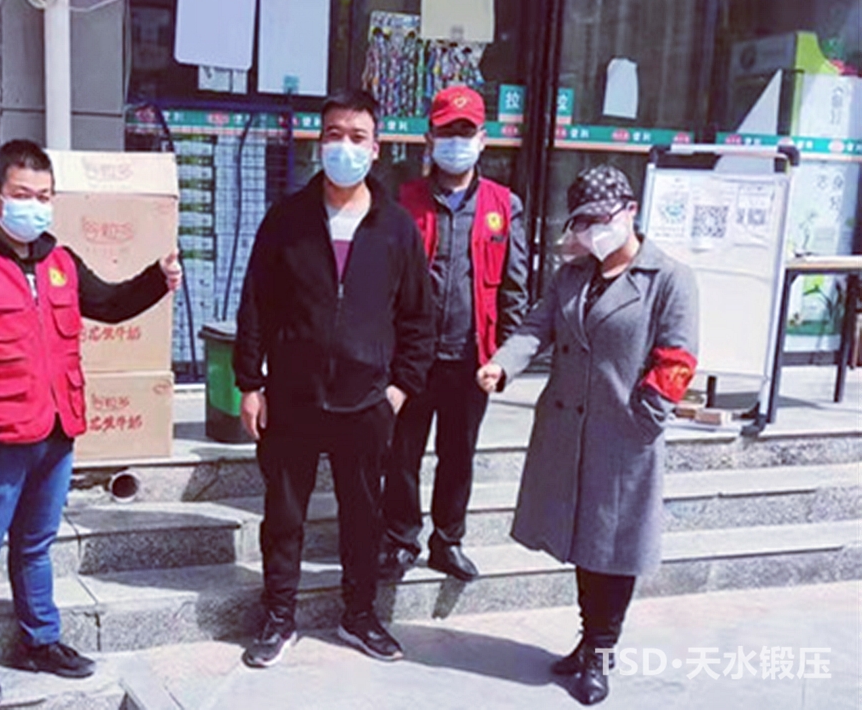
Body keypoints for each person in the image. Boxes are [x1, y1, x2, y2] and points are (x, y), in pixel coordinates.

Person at [0, 139, 181, 706]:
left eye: (44, 196)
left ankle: (41, 641)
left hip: (56, 429)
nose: (34, 206)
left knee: (36, 544)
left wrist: (156, 278)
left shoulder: (59, 260)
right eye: (22, 194)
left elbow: (108, 303)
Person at [476, 165, 698, 706]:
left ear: (629, 212)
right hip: (568, 430)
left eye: (601, 218)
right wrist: (503, 366)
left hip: (623, 435)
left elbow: (677, 360)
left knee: (615, 548)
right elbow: (537, 327)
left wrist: (645, 418)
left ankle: (601, 650)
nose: (593, 230)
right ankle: (586, 638)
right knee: (585, 540)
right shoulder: (573, 274)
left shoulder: (668, 278)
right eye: (582, 221)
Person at [233, 90, 434, 668]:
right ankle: (278, 616)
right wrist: (251, 383)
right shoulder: (287, 220)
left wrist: (399, 388)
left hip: (367, 399)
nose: (344, 146)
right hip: (293, 395)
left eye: (356, 136)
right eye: (333, 134)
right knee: (284, 515)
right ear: (318, 142)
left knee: (362, 517)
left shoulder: (396, 227)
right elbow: (256, 305)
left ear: (376, 148)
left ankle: (359, 614)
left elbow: (418, 316)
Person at [379, 84, 528, 582]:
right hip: (411, 358)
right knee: (402, 453)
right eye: (447, 132)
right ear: (430, 138)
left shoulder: (504, 205)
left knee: (458, 454)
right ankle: (401, 538)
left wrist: (503, 359)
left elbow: (514, 289)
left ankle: (448, 541)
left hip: (471, 357)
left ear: (483, 139)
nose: (456, 142)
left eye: (466, 132)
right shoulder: (403, 200)